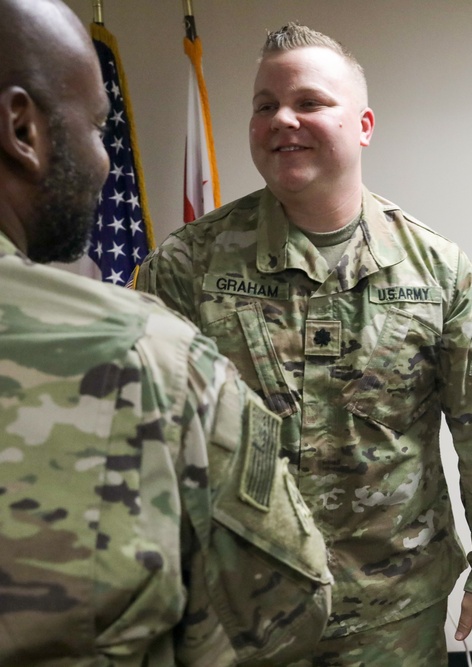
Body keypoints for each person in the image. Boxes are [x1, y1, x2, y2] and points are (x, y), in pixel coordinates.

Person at [135, 22, 472, 666]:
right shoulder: (188, 266)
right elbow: (148, 437)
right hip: (239, 611)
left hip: (393, 616)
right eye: (265, 105)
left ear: (364, 124)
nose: (281, 119)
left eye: (309, 102)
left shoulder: (437, 272)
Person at [0, 1, 334, 664]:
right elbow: (285, 602)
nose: (104, 159)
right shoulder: (146, 350)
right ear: (22, 129)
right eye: (98, 126)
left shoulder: (437, 263)